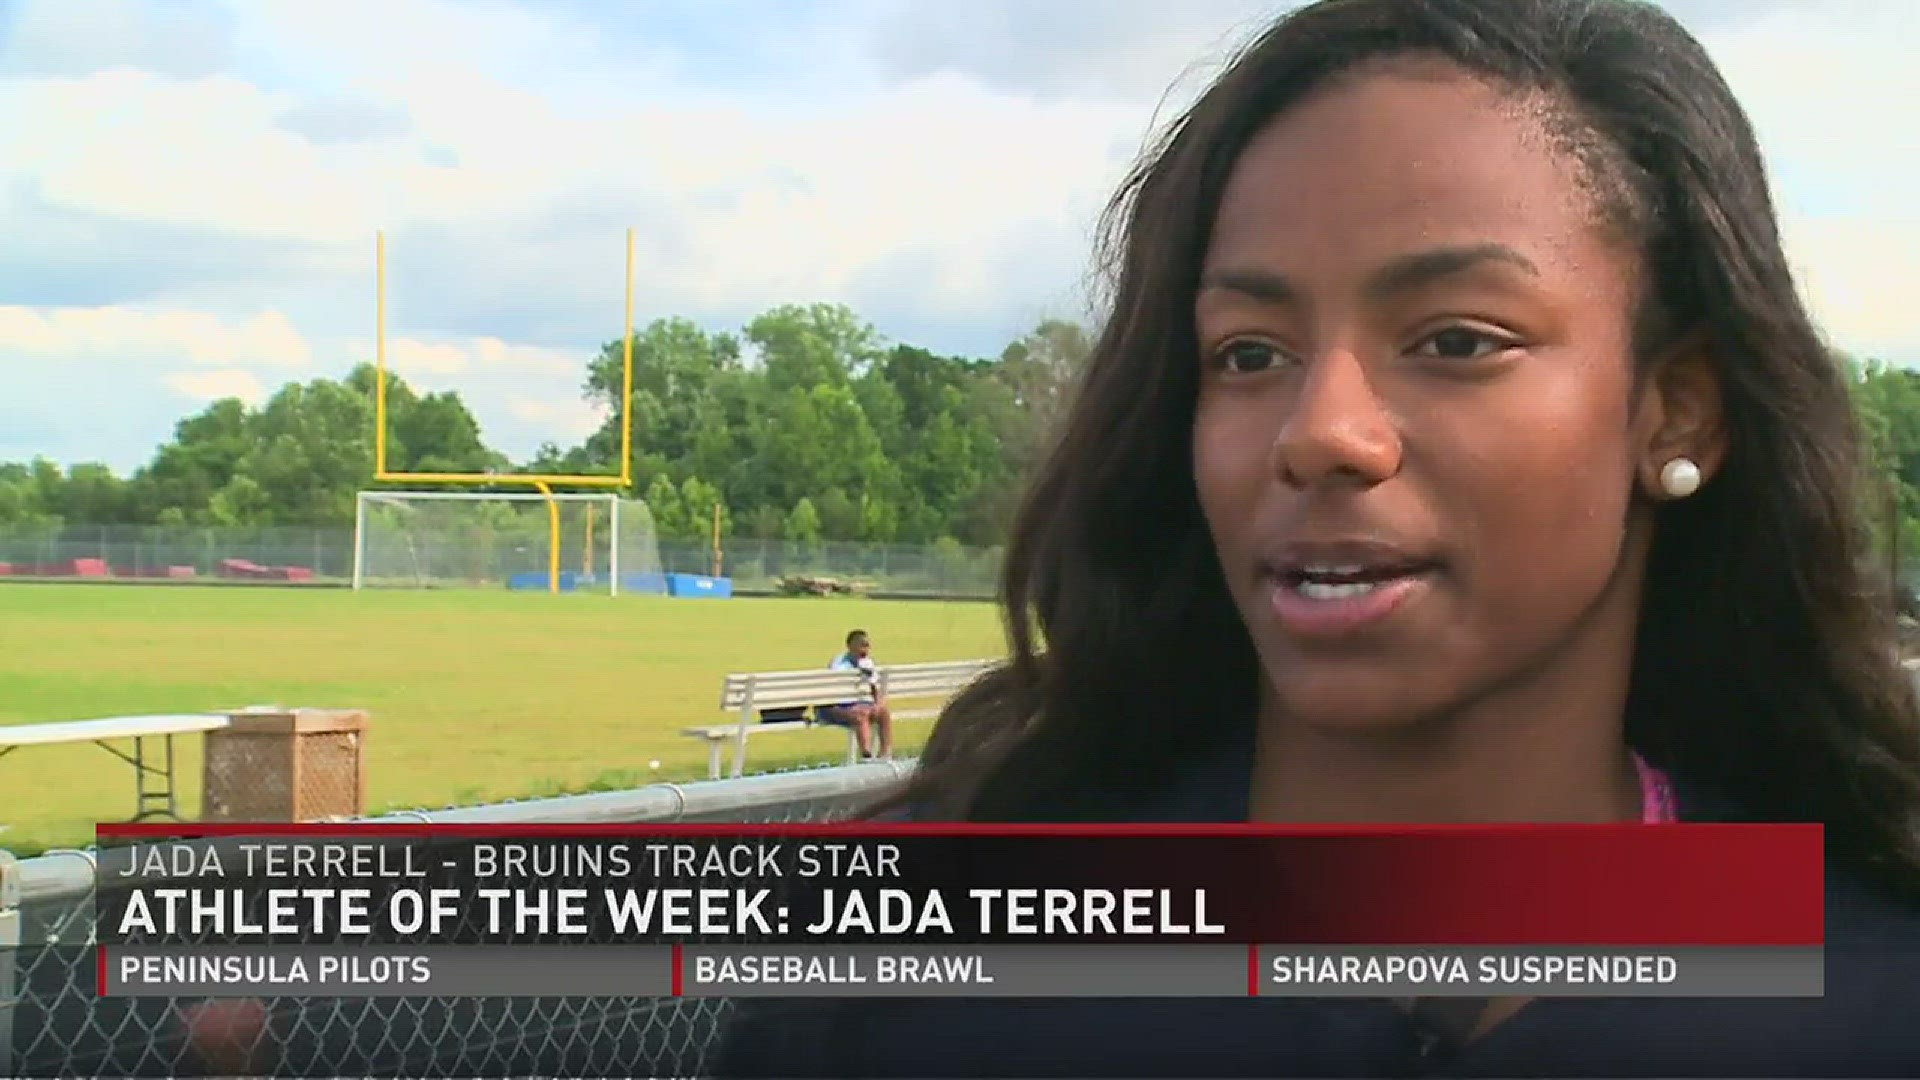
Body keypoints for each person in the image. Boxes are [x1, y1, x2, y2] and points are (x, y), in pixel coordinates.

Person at [713, 0, 1920, 1075]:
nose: (1320, 432)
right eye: (1249, 354)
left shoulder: (1867, 997)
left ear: (1680, 405)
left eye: (1455, 339)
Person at [817, 629, 892, 759]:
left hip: (859, 705)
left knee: (883, 713)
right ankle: (866, 755)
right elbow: (835, 688)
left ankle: (884, 754)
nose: (866, 648)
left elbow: (874, 688)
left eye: (867, 645)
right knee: (861, 715)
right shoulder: (839, 663)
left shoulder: (868, 663)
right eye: (862, 644)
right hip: (836, 707)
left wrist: (878, 705)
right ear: (851, 645)